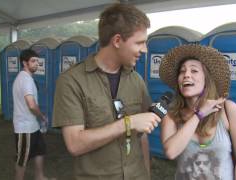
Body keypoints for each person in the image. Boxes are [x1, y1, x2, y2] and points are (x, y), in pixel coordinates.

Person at [52, 4, 161, 180]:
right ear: (117, 41)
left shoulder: (136, 80)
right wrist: (127, 123)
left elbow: (142, 135)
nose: (145, 50)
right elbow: (74, 144)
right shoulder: (71, 81)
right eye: (139, 42)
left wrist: (146, 174)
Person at [159, 44, 236, 180]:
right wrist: (199, 114)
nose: (186, 75)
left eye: (194, 71)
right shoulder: (171, 116)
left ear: (206, 79)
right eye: (182, 71)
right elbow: (171, 152)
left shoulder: (228, 109)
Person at [12, 49, 49, 180]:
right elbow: (31, 105)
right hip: (24, 128)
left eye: (37, 61)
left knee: (40, 150)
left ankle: (39, 177)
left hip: (32, 125)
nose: (36, 64)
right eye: (33, 61)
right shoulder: (25, 79)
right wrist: (42, 116)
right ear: (24, 63)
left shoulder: (26, 78)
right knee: (22, 158)